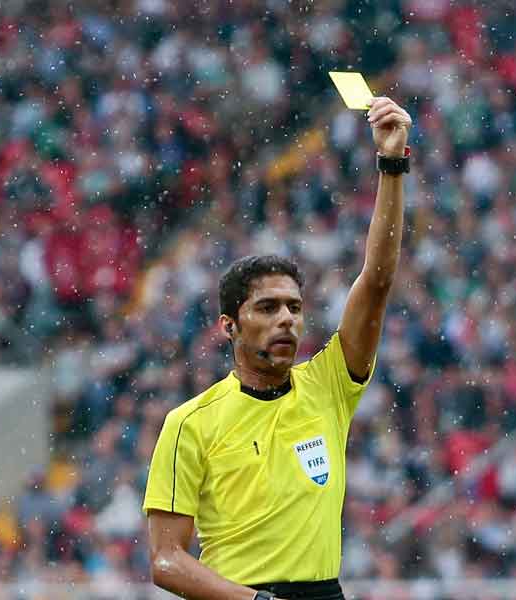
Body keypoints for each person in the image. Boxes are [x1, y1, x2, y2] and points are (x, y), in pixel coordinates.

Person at [142, 97, 412, 600]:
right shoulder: (190, 423)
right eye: (267, 309)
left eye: (293, 307)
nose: (286, 318)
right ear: (229, 326)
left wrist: (392, 164)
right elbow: (166, 560)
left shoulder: (327, 384)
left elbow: (376, 281)